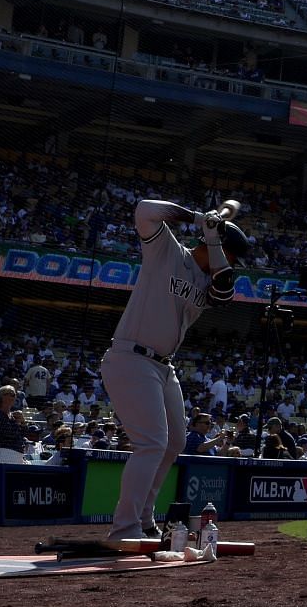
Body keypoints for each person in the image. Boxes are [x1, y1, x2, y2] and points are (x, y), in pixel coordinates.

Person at [97, 198, 246, 548]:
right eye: (231, 254)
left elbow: (225, 289)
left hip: (163, 367)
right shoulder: (168, 250)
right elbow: (144, 208)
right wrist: (198, 218)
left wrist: (213, 239)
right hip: (131, 357)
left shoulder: (211, 278)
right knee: (152, 442)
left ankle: (145, 519)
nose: (231, 263)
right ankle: (124, 528)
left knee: (174, 442)